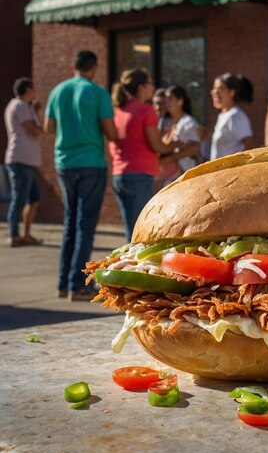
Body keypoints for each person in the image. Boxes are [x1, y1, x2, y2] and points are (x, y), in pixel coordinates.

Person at [44, 50, 117, 301]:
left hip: (64, 162)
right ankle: (79, 285)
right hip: (91, 163)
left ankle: (63, 283)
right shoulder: (97, 92)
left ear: (72, 66)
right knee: (85, 227)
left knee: (69, 224)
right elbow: (111, 131)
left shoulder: (57, 91)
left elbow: (48, 127)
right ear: (94, 67)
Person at [109, 69, 177, 241]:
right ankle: (134, 267)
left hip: (119, 175)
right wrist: (178, 144)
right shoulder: (146, 110)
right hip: (139, 175)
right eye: (151, 83)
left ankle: (127, 264)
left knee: (130, 230)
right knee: (141, 233)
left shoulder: (119, 109)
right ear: (141, 87)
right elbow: (157, 145)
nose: (153, 86)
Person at [3, 77, 44, 247]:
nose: (35, 91)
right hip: (19, 160)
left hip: (27, 161)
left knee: (34, 198)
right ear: (28, 89)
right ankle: (14, 235)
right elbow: (35, 130)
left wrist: (35, 111)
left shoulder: (26, 107)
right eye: (33, 88)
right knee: (19, 199)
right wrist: (37, 116)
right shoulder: (19, 105)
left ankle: (26, 234)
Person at [201, 73, 254, 161]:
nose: (214, 92)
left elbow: (249, 145)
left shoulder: (236, 116)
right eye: (214, 88)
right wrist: (207, 136)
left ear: (232, 92)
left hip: (230, 173)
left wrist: (236, 167)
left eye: (220, 89)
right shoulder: (222, 115)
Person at [160, 84, 201, 184]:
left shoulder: (189, 122)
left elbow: (196, 148)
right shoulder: (164, 121)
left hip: (186, 174)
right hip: (166, 176)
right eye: (165, 99)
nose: (166, 102)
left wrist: (172, 158)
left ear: (180, 101)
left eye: (170, 98)